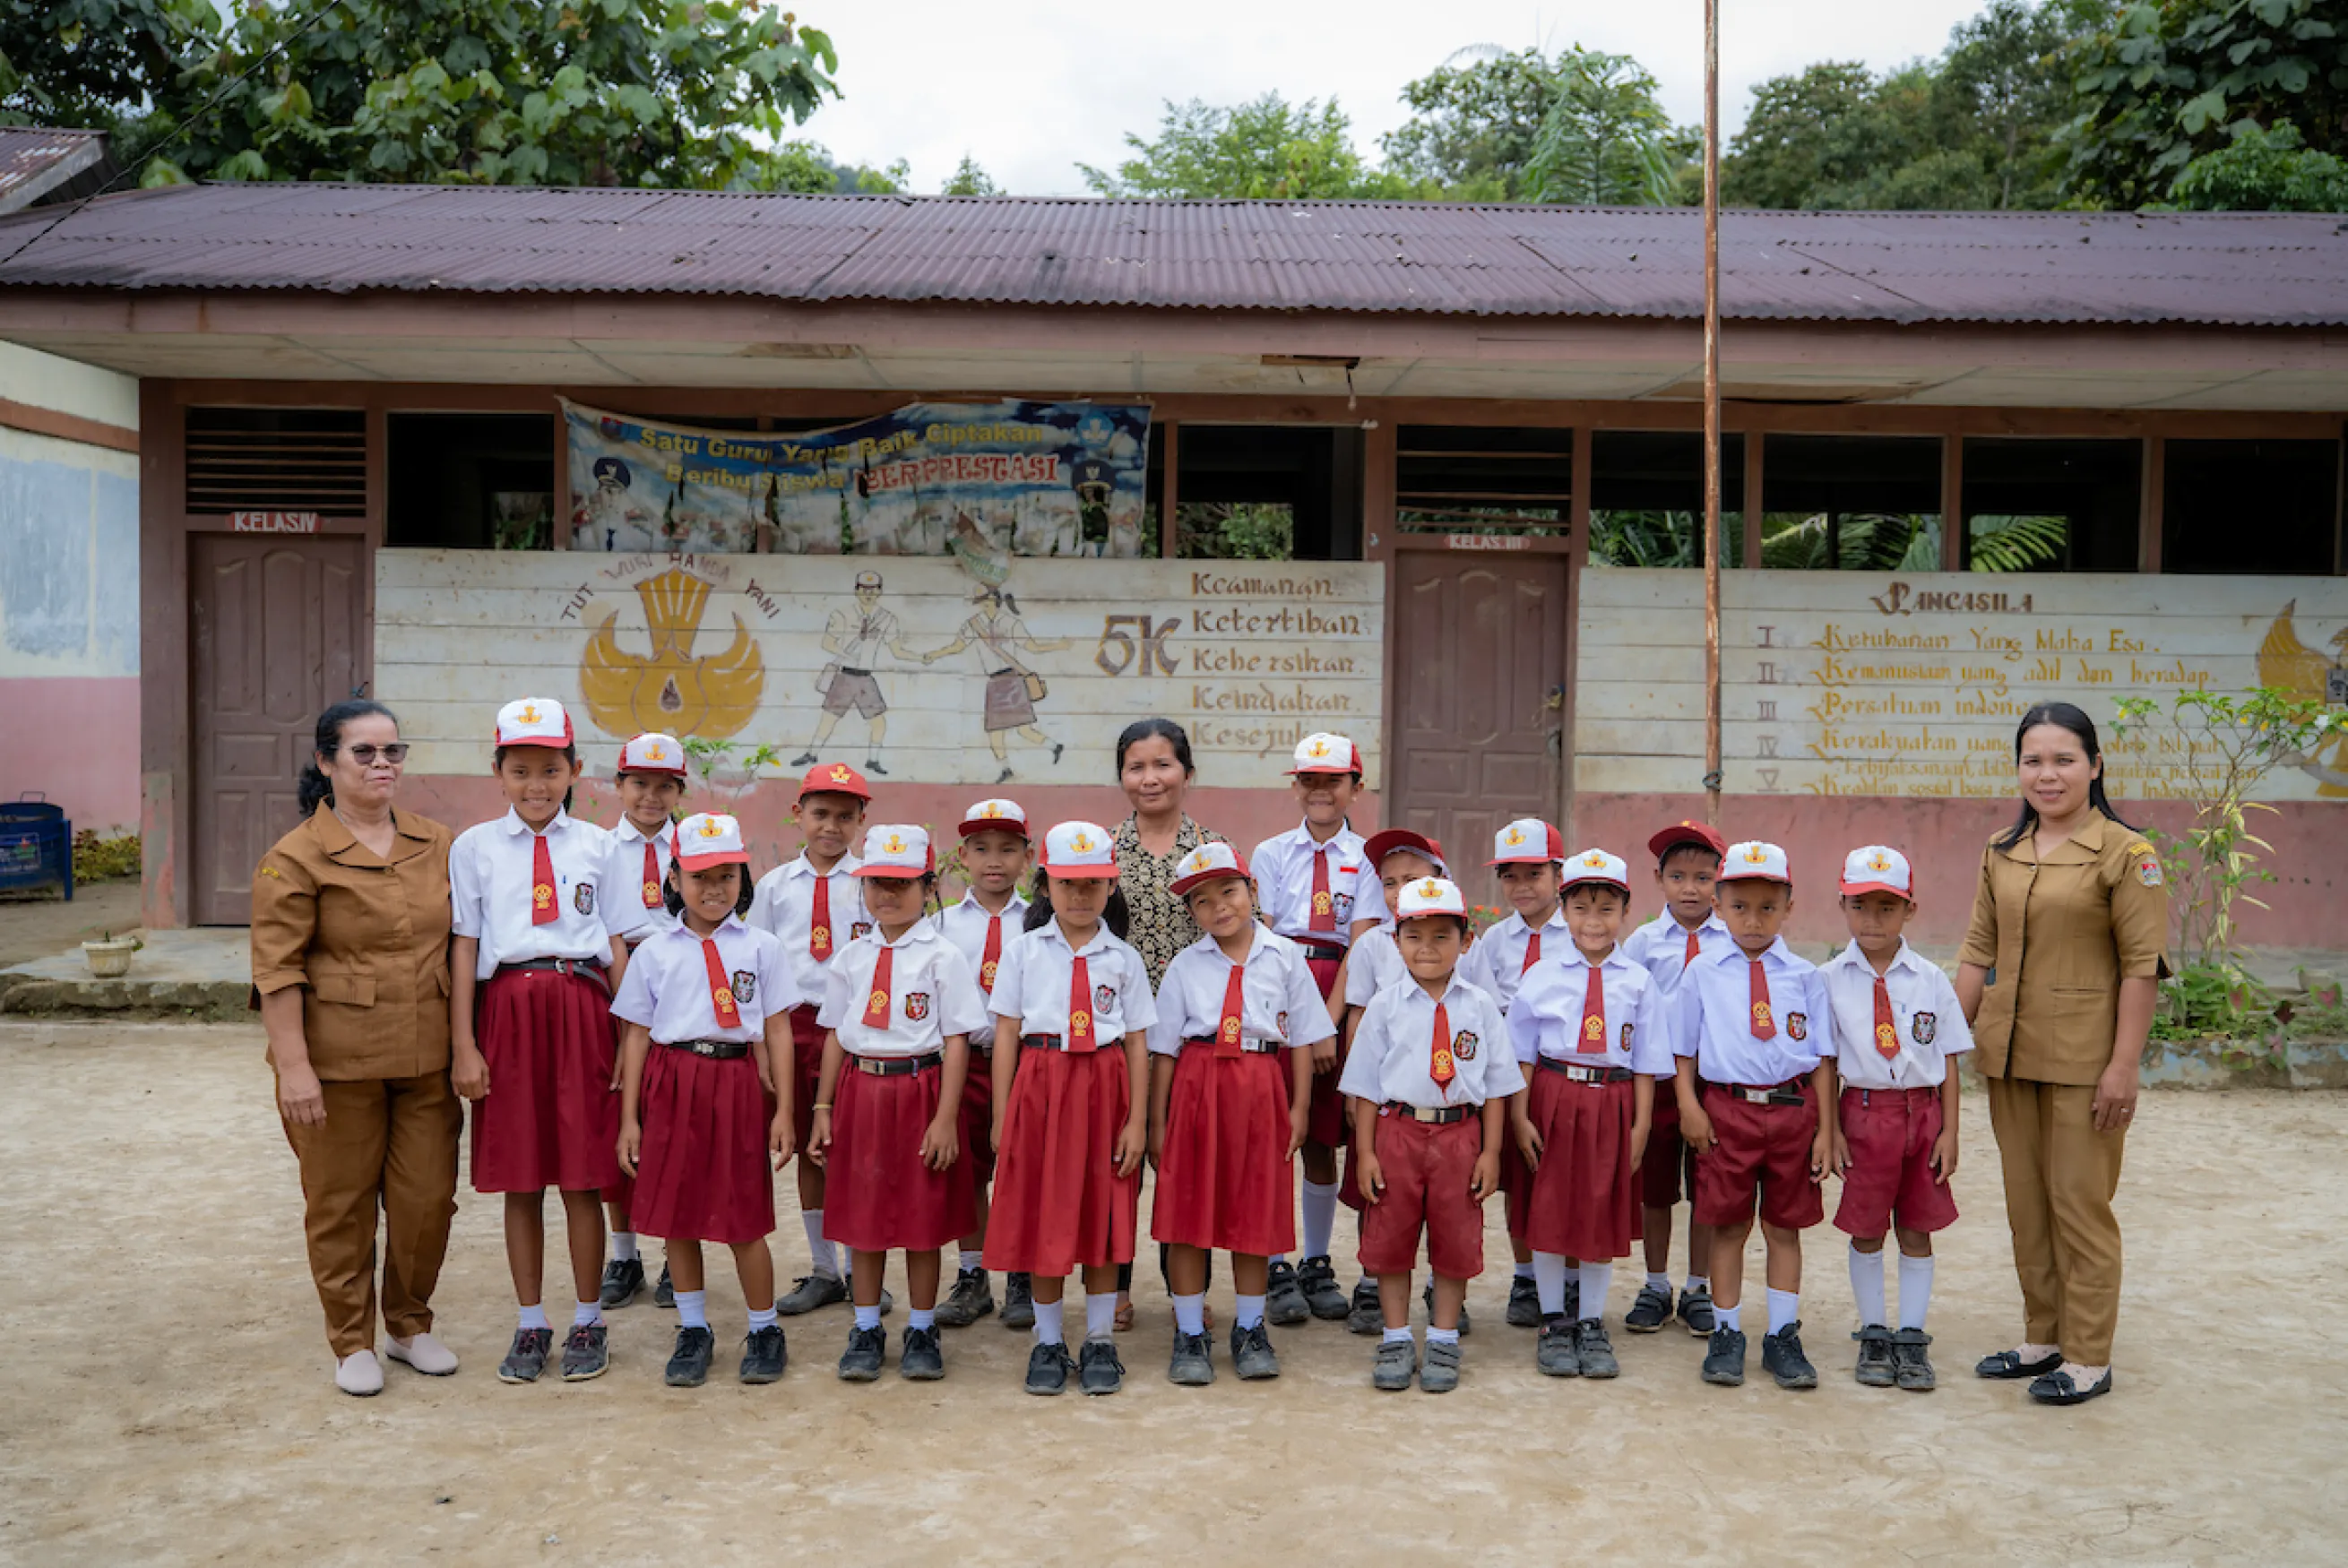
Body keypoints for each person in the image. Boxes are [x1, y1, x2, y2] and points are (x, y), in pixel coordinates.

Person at [1956, 702, 2169, 1408]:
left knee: (2079, 1205)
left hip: (2086, 1060)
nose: (2047, 775)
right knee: (2028, 1205)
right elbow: (1977, 951)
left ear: (2095, 766)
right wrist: (1948, 1043)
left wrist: (2124, 1065)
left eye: (2063, 759)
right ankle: (2042, 1337)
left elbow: (2141, 967)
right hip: (2010, 1055)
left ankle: (2087, 1355)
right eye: (2033, 760)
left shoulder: (2126, 854)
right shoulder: (2001, 850)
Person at [252, 700, 461, 1397]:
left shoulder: (435, 843)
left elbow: (463, 946)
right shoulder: (295, 857)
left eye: (392, 752)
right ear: (326, 762)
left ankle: (406, 1324)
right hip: (336, 1067)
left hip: (426, 1056)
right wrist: (294, 1070)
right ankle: (352, 1341)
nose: (381, 765)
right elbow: (277, 971)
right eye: (364, 753)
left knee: (426, 1200)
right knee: (340, 1206)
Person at [448, 698, 645, 1385]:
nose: (537, 784)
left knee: (585, 1177)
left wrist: (629, 1038)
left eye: (551, 770)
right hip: (507, 1010)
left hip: (582, 1008)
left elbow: (617, 944)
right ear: (497, 771)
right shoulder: (473, 847)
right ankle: (532, 1323)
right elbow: (465, 945)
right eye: (521, 769)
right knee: (521, 1179)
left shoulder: (598, 847)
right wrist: (464, 1046)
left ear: (576, 771)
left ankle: (589, 1318)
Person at [611, 813, 795, 1388]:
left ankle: (764, 1328)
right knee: (678, 1215)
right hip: (672, 1080)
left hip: (735, 1082)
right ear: (674, 878)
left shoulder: (762, 948)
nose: (714, 889)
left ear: (743, 877)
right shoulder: (655, 952)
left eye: (726, 876)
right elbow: (638, 1036)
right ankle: (693, 1329)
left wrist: (786, 1107)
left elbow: (779, 1030)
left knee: (744, 1216)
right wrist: (630, 1120)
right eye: (699, 877)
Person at [984, 823, 1155, 1396]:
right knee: (1045, 1215)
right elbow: (1007, 1033)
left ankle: (1101, 1338)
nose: (1079, 896)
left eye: (1093, 884)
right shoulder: (1024, 951)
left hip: (1105, 1088)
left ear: (1111, 886)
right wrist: (1002, 1114)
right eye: (1066, 884)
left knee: (1102, 1213)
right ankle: (1050, 1341)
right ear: (1046, 886)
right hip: (1041, 1083)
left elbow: (1135, 1041)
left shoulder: (1124, 958)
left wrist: (1136, 1121)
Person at [1147, 842, 1327, 1386]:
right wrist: (1158, 1122)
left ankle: (1250, 1328)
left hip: (1260, 1085)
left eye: (1228, 891)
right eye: (1202, 901)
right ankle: (1189, 1331)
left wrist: (1298, 1108)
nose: (1219, 907)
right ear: (1192, 913)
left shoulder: (1286, 957)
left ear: (1251, 889)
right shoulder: (1185, 966)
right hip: (1198, 1087)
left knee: (1254, 1215)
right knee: (1187, 1216)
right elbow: (1164, 1051)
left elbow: (1300, 1041)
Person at [813, 825, 985, 1383]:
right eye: (877, 884)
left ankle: (922, 1326)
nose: (888, 895)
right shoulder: (852, 956)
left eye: (902, 884)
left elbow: (956, 1038)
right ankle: (865, 1326)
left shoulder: (943, 956)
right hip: (862, 1092)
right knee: (863, 1218)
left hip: (921, 1090)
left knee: (921, 1217)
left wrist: (945, 1118)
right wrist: (822, 1107)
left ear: (928, 886)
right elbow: (837, 1032)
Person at [1341, 875, 1520, 1393]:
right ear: (1395, 942)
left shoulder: (1481, 1007)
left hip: (1459, 1135)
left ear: (1466, 942)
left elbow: (1497, 1085)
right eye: (1414, 936)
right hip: (1397, 1132)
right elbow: (1367, 1088)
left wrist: (1490, 1150)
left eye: (1443, 936)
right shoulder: (1384, 1006)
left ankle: (1443, 1338)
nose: (1427, 948)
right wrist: (1367, 1153)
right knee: (1392, 1241)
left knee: (1454, 1241)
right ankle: (1396, 1337)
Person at [1669, 840, 1836, 1393]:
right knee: (1728, 1224)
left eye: (1768, 906)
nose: (1754, 919)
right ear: (1718, 905)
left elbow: (1821, 1061)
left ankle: (1783, 1336)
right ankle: (1726, 1331)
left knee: (1784, 1226)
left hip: (1791, 1114)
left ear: (1789, 906)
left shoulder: (1806, 977)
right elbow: (1683, 1049)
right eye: (1739, 906)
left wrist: (1825, 1132)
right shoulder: (1702, 973)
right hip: (1726, 1112)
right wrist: (1690, 1106)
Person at [1507, 849, 1670, 1383]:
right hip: (1553, 1095)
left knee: (1601, 1207)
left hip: (1613, 1101)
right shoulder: (1543, 975)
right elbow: (1525, 1052)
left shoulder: (1639, 982)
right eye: (1581, 908)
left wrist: (1641, 1125)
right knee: (1551, 1209)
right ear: (1565, 908)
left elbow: (1646, 1060)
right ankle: (1555, 1320)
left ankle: (1592, 1321)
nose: (1593, 922)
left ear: (1625, 909)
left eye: (1605, 909)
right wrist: (1521, 1116)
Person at [1821, 845, 1970, 1393]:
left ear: (1910, 909)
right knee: (1865, 1227)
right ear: (1843, 906)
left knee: (1916, 1226)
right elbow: (1827, 1062)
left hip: (1924, 1114)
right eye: (1860, 907)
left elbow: (1949, 1058)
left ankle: (1911, 1336)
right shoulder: (1830, 979)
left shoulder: (1930, 979)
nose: (1873, 920)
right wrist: (1829, 1130)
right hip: (1862, 1114)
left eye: (1887, 907)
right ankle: (1874, 1332)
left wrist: (1951, 1131)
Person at [1250, 731, 1371, 1326]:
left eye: (1334, 781)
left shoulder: (1370, 857)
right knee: (1278, 1132)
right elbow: (1265, 936)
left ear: (1355, 786)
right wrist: (1296, 1019)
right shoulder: (1271, 853)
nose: (1321, 791)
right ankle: (1274, 1259)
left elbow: (1364, 939)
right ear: (1296, 787)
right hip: (1280, 988)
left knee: (1322, 1137)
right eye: (1310, 781)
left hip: (1338, 992)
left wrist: (1329, 1019)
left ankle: (1316, 1260)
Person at [1110, 718, 1228, 1331]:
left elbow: (1241, 935)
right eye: (1137, 766)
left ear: (1187, 773)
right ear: (1121, 777)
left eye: (1163, 764)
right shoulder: (1100, 853)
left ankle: (1189, 1289)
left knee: (1185, 1167)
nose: (1150, 777)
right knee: (1118, 1162)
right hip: (1114, 1039)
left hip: (1191, 1042)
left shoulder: (1212, 850)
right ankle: (1117, 1288)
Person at [747, 762, 876, 1318]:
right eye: (820, 813)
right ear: (798, 814)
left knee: (855, 1148)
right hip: (792, 1028)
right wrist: (761, 1044)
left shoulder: (874, 883)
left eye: (845, 817)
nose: (831, 826)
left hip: (853, 1031)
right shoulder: (774, 887)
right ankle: (826, 1268)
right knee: (808, 1148)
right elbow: (754, 967)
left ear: (861, 821)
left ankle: (863, 1266)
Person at [1619, 819, 1731, 1338]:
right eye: (1679, 876)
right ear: (1659, 879)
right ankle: (1657, 1283)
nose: (1691, 888)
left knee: (1708, 1185)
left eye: (1704, 878)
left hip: (1714, 1079)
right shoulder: (1642, 944)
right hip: (1659, 1082)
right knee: (1656, 1189)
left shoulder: (1731, 941)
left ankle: (1697, 1287)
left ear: (1720, 882)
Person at [1463, 817, 1570, 1331]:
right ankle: (1526, 1275)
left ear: (1559, 873)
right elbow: (1483, 1007)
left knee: (1563, 1176)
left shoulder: (1578, 933)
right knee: (1520, 1181)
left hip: (1557, 1073)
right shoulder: (1494, 941)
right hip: (1506, 1075)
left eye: (1534, 874)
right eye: (1510, 876)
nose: (1521, 887)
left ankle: (1568, 1276)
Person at [934, 797, 1035, 1329]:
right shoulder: (943, 924)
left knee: (1023, 1170)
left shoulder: (1042, 921)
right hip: (967, 1060)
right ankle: (973, 1275)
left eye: (1007, 848)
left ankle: (1021, 1270)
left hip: (1025, 1064)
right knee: (969, 1169)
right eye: (981, 848)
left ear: (1028, 857)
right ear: (962, 857)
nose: (994, 860)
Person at [600, 731, 687, 1313]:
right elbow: (605, 931)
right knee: (618, 1120)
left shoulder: (698, 847)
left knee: (677, 1124)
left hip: (685, 989)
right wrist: (628, 1001)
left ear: (680, 789)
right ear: (619, 786)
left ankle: (675, 1258)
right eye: (639, 784)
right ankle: (624, 1252)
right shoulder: (598, 850)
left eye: (664, 786)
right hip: (619, 983)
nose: (650, 797)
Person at [920, 587, 1072, 783]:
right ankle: (1006, 768)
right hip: (994, 683)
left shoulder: (1010, 623)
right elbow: (957, 646)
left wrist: (1057, 646)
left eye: (987, 599)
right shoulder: (973, 624)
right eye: (981, 600)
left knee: (1024, 729)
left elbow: (1032, 646)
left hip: (1012, 679)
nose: (984, 603)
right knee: (994, 732)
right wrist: (934, 654)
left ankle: (1054, 746)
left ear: (995, 599)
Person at [796, 571, 918, 774]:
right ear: (856, 591)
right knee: (828, 719)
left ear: (879, 592)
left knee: (879, 722)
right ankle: (811, 754)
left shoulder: (887, 619)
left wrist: (921, 658)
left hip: (865, 678)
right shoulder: (842, 614)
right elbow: (827, 642)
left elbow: (897, 650)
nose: (868, 594)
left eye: (873, 590)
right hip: (844, 675)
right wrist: (846, 654)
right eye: (864, 589)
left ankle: (873, 760)